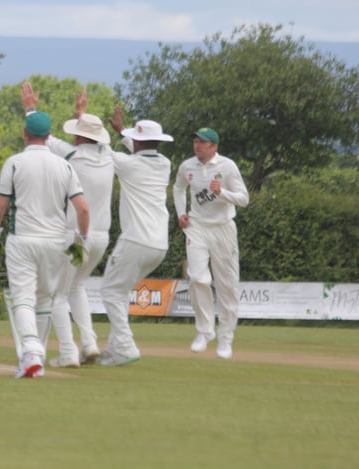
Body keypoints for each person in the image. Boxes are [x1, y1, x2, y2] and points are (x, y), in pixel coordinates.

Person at [0, 82, 90, 378]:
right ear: (48, 134)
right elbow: (82, 209)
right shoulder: (64, 166)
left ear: (25, 133)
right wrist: (81, 240)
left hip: (23, 241)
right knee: (45, 299)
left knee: (24, 298)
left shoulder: (15, 163)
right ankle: (36, 357)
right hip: (57, 242)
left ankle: (31, 351)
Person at [21, 85, 114, 368]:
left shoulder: (72, 155)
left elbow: (42, 138)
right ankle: (88, 343)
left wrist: (30, 108)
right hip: (101, 237)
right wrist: (82, 115)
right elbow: (89, 138)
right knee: (78, 287)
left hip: (75, 235)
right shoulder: (109, 156)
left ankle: (68, 353)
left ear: (77, 135)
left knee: (57, 294)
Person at [98, 109, 174, 366]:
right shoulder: (165, 164)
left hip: (135, 241)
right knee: (119, 292)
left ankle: (126, 346)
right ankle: (113, 347)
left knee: (110, 291)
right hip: (159, 245)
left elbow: (99, 149)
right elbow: (139, 149)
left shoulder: (128, 164)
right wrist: (123, 132)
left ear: (139, 142)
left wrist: (95, 130)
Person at [173, 128, 249, 359]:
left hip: (223, 229)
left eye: (203, 142)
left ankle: (226, 338)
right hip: (197, 227)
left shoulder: (227, 166)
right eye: (195, 141)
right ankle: (205, 330)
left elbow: (244, 199)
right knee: (197, 277)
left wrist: (222, 192)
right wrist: (181, 213)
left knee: (227, 285)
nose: (198, 145)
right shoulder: (187, 166)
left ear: (214, 147)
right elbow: (178, 188)